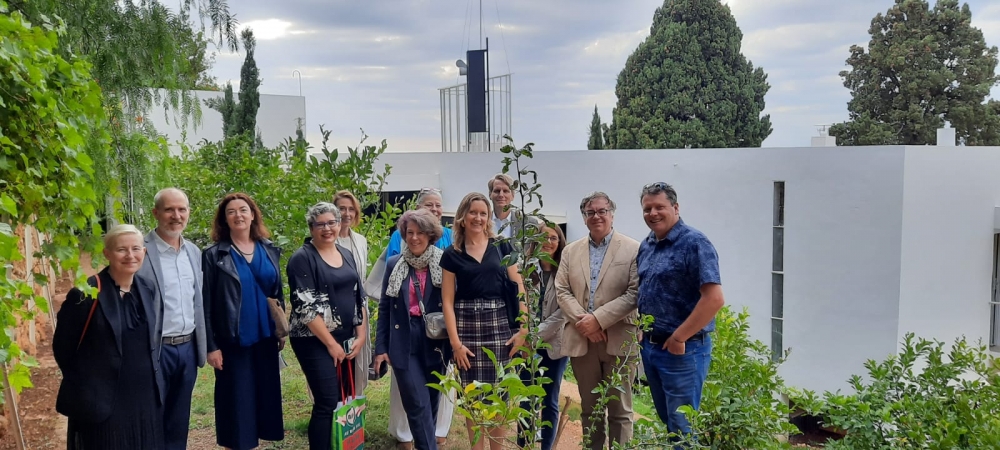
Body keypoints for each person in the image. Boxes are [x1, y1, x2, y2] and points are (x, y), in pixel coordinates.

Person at [54, 224, 166, 450]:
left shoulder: (147, 288)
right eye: (121, 250)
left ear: (144, 252)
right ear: (107, 254)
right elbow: (63, 350)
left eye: (136, 248)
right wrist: (91, 384)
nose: (130, 255)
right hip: (104, 402)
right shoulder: (85, 294)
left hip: (144, 399)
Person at [636, 182, 725, 435]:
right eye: (647, 208)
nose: (652, 213)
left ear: (675, 207)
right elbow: (643, 289)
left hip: (683, 350)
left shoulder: (695, 243)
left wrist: (678, 337)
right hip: (652, 347)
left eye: (659, 207)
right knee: (669, 421)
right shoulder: (647, 245)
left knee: (683, 427)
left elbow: (714, 299)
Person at [441, 192, 527, 450]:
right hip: (466, 329)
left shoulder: (502, 246)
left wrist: (524, 329)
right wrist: (455, 344)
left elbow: (519, 286)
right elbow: (447, 301)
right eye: (473, 212)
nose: (478, 218)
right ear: (463, 217)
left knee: (499, 396)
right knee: (473, 399)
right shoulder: (451, 254)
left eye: (483, 213)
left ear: (488, 217)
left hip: (499, 325)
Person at [555, 192, 640, 450]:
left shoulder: (634, 248)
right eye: (591, 212)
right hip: (583, 340)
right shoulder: (570, 251)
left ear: (612, 214)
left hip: (619, 340)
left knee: (620, 411)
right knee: (590, 410)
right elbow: (562, 290)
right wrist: (586, 323)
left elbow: (635, 292)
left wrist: (598, 320)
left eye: (602, 211)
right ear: (584, 218)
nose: (597, 216)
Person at [202, 193, 284, 450]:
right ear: (224, 219)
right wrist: (211, 345)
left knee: (263, 399)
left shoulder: (269, 249)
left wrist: (281, 330)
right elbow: (204, 303)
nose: (238, 215)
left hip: (266, 338)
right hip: (232, 341)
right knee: (236, 404)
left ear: (252, 214)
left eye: (243, 210)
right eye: (231, 211)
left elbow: (276, 293)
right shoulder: (214, 255)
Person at [286, 202, 368, 450]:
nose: (327, 229)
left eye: (331, 222)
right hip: (314, 341)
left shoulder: (346, 254)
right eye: (320, 224)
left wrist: (361, 335)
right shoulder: (302, 259)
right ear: (311, 228)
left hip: (346, 339)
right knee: (327, 400)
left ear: (340, 223)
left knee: (344, 398)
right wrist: (331, 345)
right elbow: (306, 308)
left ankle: (343, 445)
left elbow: (358, 295)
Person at [383, 187, 455, 450]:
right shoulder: (394, 264)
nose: (414, 238)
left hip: (435, 339)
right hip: (404, 338)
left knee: (432, 401)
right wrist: (381, 348)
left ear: (431, 235)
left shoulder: (445, 262)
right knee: (417, 402)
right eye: (409, 232)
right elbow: (384, 307)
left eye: (420, 232)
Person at [137, 188, 205, 450]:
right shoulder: (140, 252)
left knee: (179, 419)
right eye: (169, 210)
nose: (176, 216)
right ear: (156, 213)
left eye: (182, 209)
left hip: (187, 348)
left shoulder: (194, 252)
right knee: (151, 416)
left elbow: (198, 301)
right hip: (154, 349)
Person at [516, 223, 569, 450]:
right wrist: (524, 334)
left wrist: (534, 335)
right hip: (525, 344)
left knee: (550, 400)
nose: (548, 242)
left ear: (560, 241)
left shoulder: (567, 271)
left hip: (555, 345)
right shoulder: (523, 268)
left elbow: (565, 310)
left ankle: (546, 447)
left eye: (554, 238)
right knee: (526, 398)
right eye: (544, 237)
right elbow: (517, 304)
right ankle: (524, 444)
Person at [333, 190, 372, 395]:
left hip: (359, 307)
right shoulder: (328, 239)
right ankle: (335, 408)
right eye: (341, 209)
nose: (346, 213)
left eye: (351, 209)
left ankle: (353, 411)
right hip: (336, 310)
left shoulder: (361, 241)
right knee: (337, 362)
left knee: (357, 359)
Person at [386, 187, 454, 257]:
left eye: (438, 205)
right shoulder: (399, 235)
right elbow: (391, 264)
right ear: (418, 208)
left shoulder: (451, 235)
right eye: (429, 205)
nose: (434, 209)